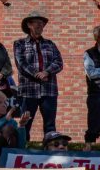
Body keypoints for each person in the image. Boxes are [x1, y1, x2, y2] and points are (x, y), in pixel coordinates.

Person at [13, 9, 63, 138]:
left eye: (42, 23)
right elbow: (21, 64)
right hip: (29, 91)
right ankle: (23, 149)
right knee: (25, 124)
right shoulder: (20, 44)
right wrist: (37, 74)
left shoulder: (50, 44)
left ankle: (50, 150)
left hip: (49, 90)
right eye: (37, 23)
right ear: (29, 25)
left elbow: (59, 62)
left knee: (50, 125)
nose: (40, 26)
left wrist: (46, 72)